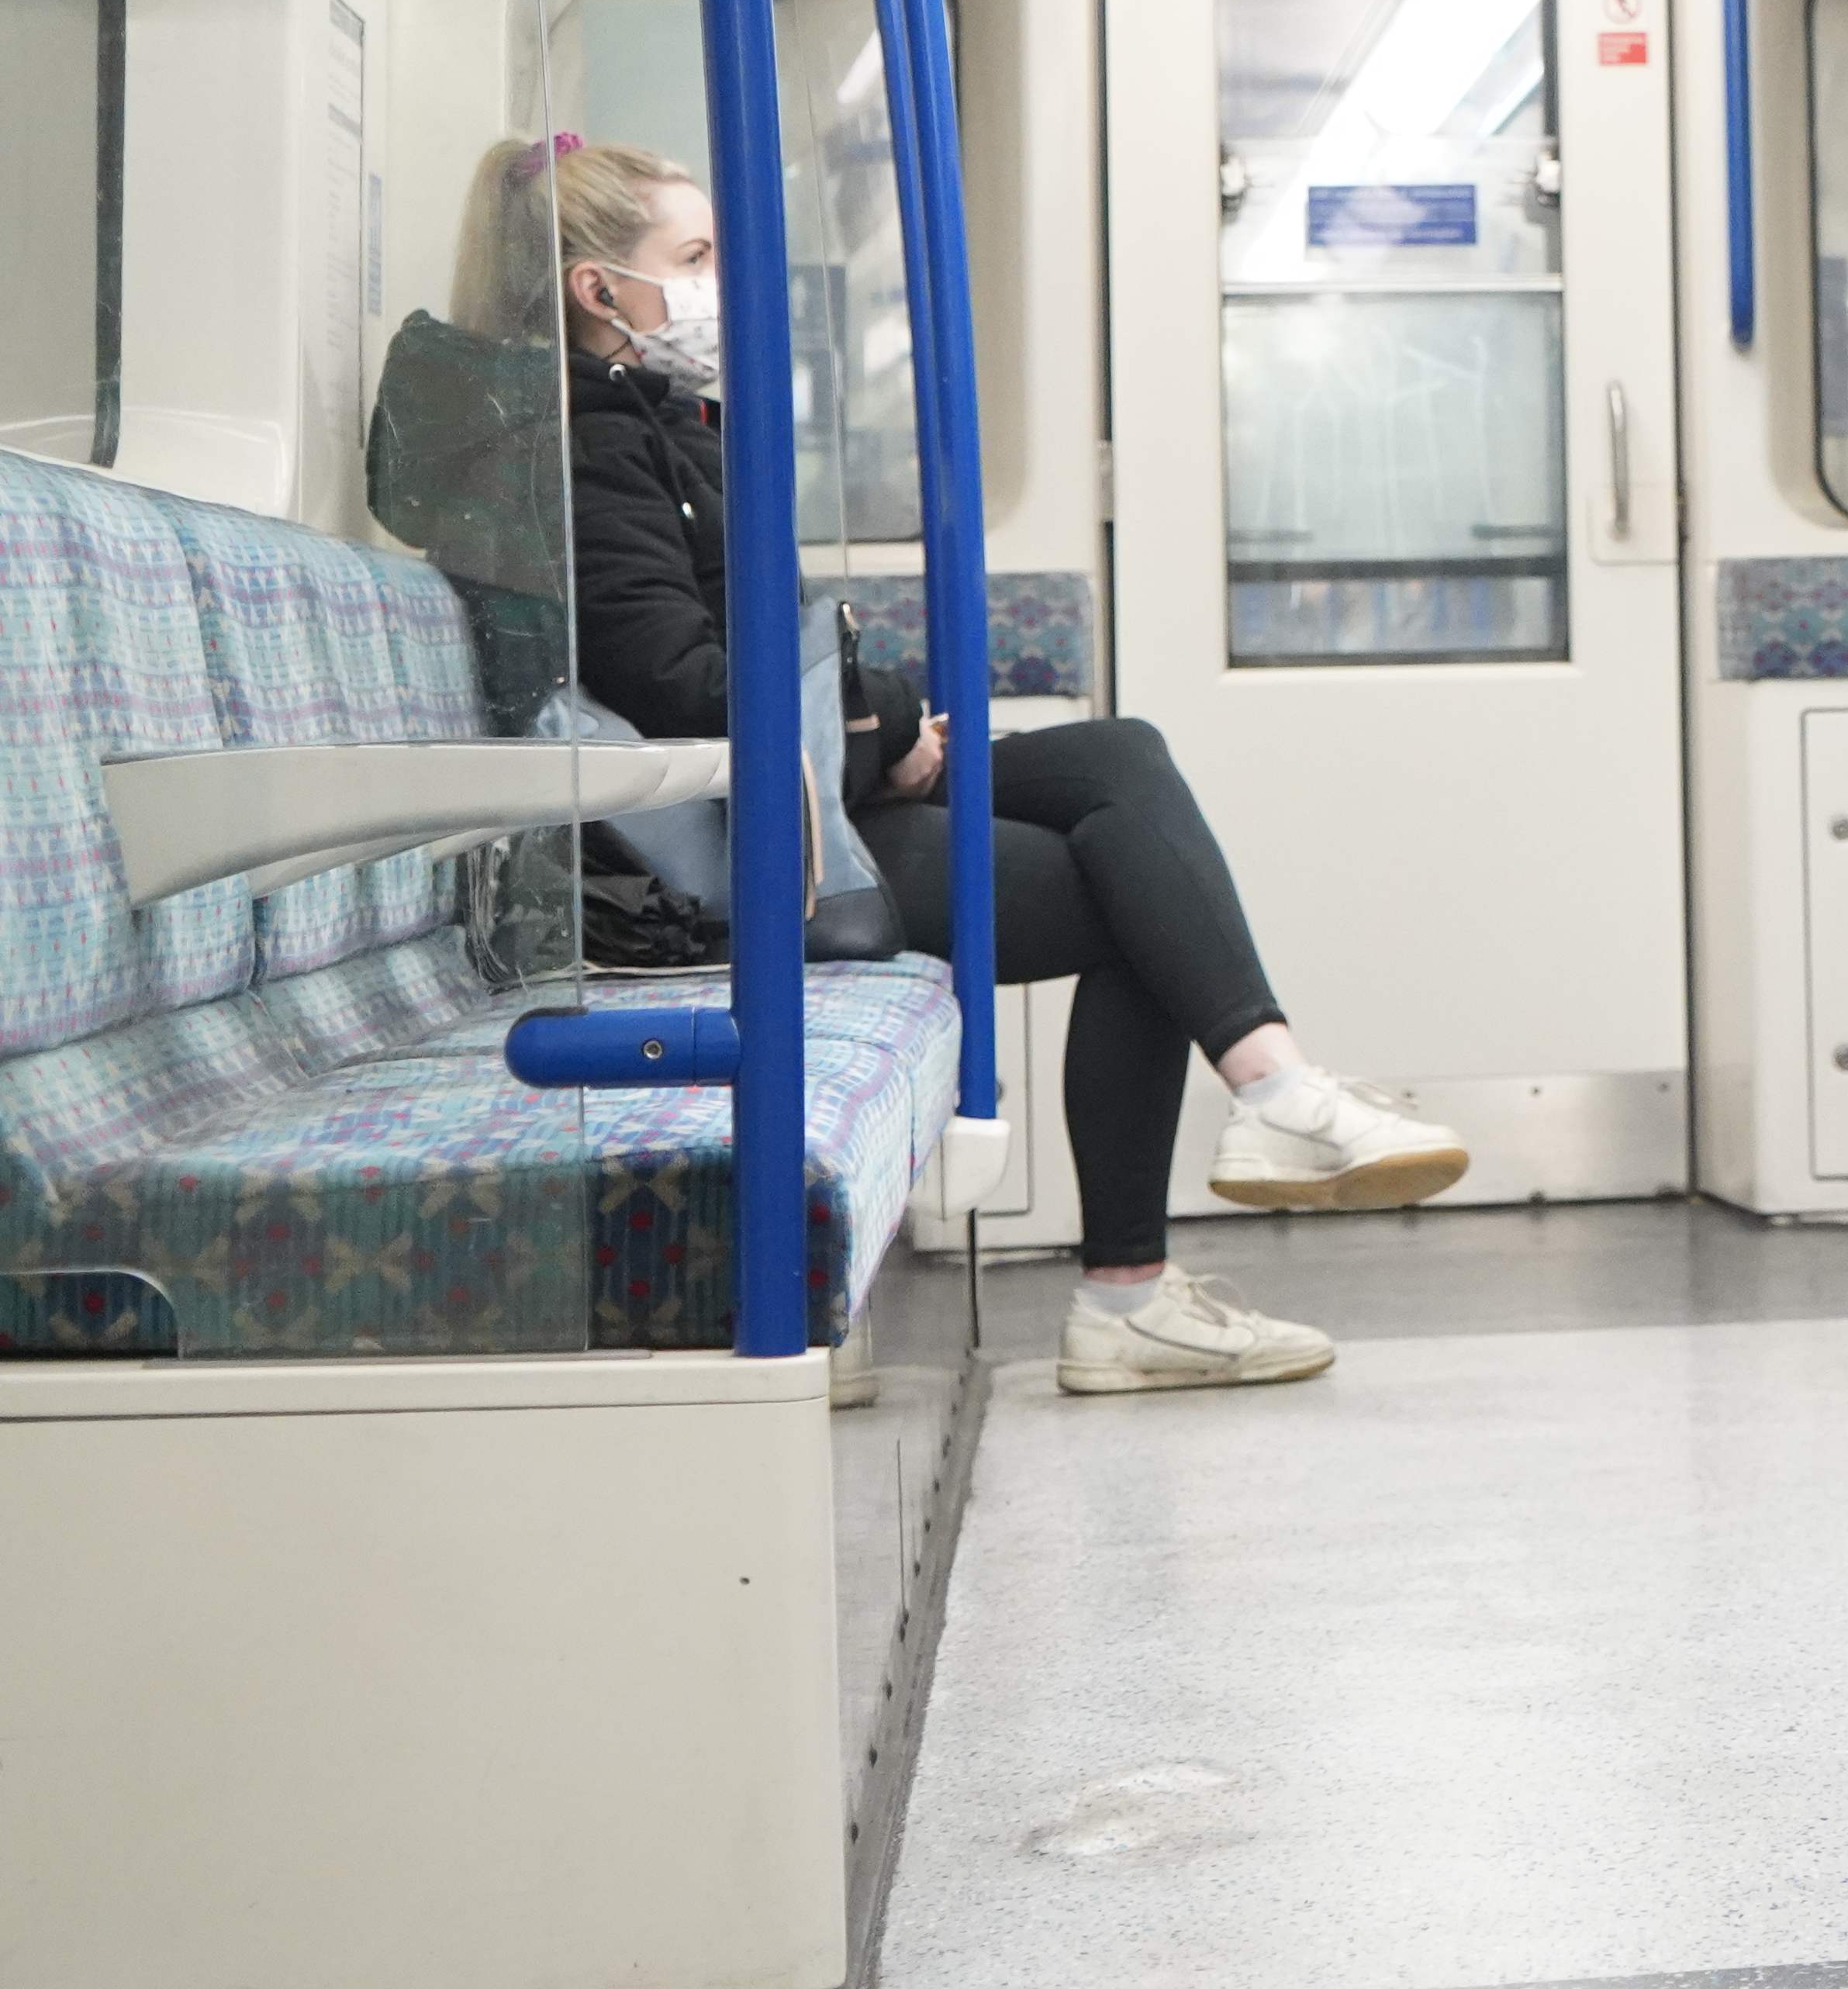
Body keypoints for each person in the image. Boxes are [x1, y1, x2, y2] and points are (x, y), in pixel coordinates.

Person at [383, 136, 1473, 1396]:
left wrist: (874, 729)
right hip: (677, 864)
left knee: (1122, 756)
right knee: (1127, 901)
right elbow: (685, 684)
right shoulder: (573, 451)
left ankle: (1270, 1100)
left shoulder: (650, 423)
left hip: (772, 800)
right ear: (595, 290)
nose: (722, 287)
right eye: (693, 260)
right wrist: (887, 728)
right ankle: (1156, 1264)